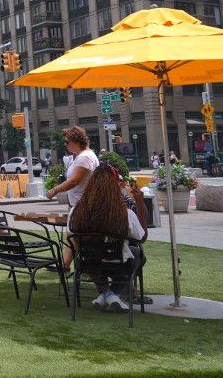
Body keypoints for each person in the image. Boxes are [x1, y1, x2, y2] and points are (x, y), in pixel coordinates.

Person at [69, 163, 147, 311]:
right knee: (138, 254)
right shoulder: (125, 214)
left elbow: (75, 241)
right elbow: (142, 238)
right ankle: (112, 294)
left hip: (89, 265)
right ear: (114, 187)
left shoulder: (76, 213)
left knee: (88, 256)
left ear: (90, 186)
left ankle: (106, 294)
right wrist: (140, 203)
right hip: (118, 265)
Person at [46, 126, 98, 207]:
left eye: (67, 142)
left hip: (83, 207)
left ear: (77, 141)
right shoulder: (82, 155)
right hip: (80, 205)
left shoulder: (84, 157)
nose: (65, 144)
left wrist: (55, 190)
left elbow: (74, 181)